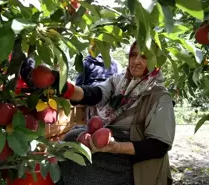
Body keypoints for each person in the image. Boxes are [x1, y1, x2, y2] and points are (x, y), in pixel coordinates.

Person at [21, 41, 176, 185]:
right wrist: (64, 88)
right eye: (133, 55)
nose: (136, 61)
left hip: (133, 161)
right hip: (111, 145)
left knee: (76, 168)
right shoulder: (120, 81)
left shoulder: (158, 96)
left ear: (155, 61)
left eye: (144, 57)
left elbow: (158, 146)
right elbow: (96, 93)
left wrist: (114, 147)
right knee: (70, 140)